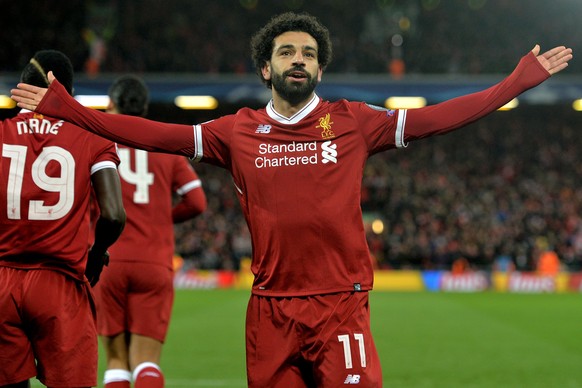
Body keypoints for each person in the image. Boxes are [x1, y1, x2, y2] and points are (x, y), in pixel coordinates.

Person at [11, 12, 573, 387]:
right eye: (286, 52)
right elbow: (155, 135)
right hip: (271, 309)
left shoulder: (353, 121)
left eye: (308, 53)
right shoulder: (237, 131)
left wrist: (513, 84)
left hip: (341, 305)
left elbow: (435, 119)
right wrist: (72, 111)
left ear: (319, 67)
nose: (298, 59)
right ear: (266, 67)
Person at [1, 50, 126, 388]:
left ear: (22, 88)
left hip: (2, 282)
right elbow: (114, 215)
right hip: (60, 282)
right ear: (66, 95)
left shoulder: (2, 133)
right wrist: (96, 253)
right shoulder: (91, 135)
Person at [94, 75, 207, 388]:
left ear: (111, 103)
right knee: (146, 361)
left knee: (116, 362)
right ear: (143, 107)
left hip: (107, 261)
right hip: (154, 262)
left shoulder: (97, 140)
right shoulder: (161, 143)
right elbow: (197, 201)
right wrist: (161, 218)